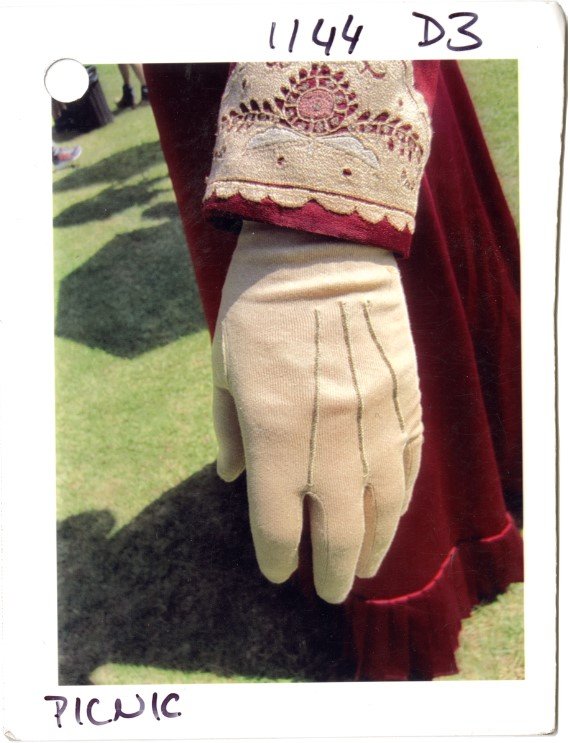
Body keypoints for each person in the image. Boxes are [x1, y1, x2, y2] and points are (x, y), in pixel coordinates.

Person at [143, 60, 524, 680]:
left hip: (326, 76)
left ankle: (431, 547)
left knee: (378, 357)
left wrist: (313, 252)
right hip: (221, 77)